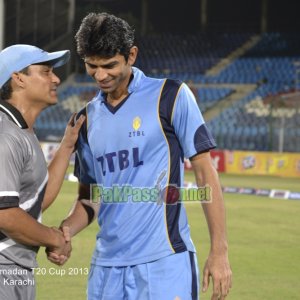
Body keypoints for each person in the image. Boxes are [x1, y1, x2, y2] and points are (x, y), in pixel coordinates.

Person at [49, 12, 232, 300]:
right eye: (91, 66)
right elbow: (90, 198)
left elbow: (205, 172)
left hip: (165, 262)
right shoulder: (86, 120)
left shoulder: (170, 96)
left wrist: (219, 251)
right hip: (106, 269)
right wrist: (66, 230)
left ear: (131, 55)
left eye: (109, 65)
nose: (100, 75)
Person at [0, 44, 85, 300]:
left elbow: (33, 201)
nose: (56, 78)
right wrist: (54, 239)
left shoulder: (21, 131)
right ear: (18, 78)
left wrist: (67, 145)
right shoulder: (6, 135)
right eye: (46, 71)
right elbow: (5, 215)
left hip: (14, 269)